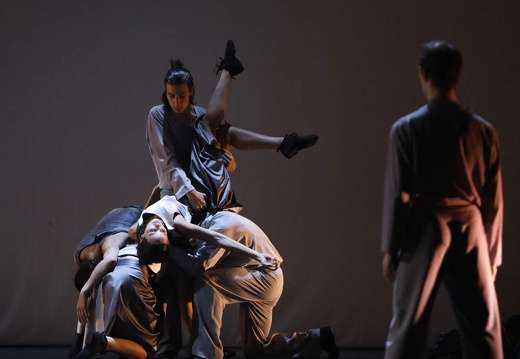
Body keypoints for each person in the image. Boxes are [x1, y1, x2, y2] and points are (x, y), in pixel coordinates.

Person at [146, 40, 319, 358]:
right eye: (171, 96)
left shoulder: (198, 116)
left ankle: (282, 142)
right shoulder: (159, 115)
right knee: (174, 283)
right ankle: (281, 140)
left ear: (192, 91)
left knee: (215, 126)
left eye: (182, 96)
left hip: (207, 205)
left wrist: (221, 157)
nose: (176, 102)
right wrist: (188, 190)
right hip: (178, 200)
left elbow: (228, 149)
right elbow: (166, 161)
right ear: (165, 93)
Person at [381, 40, 504, 359]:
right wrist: (492, 251)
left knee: (408, 325)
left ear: (423, 73)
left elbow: (398, 193)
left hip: (425, 224)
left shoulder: (406, 128)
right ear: (456, 76)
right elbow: (493, 200)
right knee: (483, 327)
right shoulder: (484, 131)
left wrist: (390, 247)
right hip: (471, 225)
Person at [136, 195, 339, 359]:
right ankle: (318, 339)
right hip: (261, 275)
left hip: (264, 277)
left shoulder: (221, 225)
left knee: (207, 281)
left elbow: (199, 266)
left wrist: (170, 250)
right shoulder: (214, 222)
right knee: (257, 347)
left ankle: (206, 354)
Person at [70, 205, 144, 358]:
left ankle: (86, 342)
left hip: (136, 213)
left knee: (97, 289)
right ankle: (81, 341)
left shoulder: (110, 242)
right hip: (116, 214)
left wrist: (84, 292)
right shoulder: (79, 256)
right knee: (92, 293)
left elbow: (110, 259)